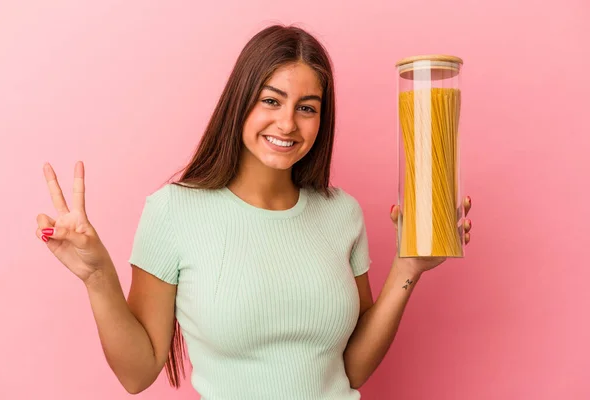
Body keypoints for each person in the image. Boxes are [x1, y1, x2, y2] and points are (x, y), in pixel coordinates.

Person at [36, 24, 472, 399]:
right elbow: (137, 374)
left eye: (307, 108)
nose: (287, 124)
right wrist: (98, 278)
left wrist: (407, 266)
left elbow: (350, 369)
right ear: (240, 102)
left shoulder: (342, 213)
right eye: (271, 100)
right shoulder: (174, 211)